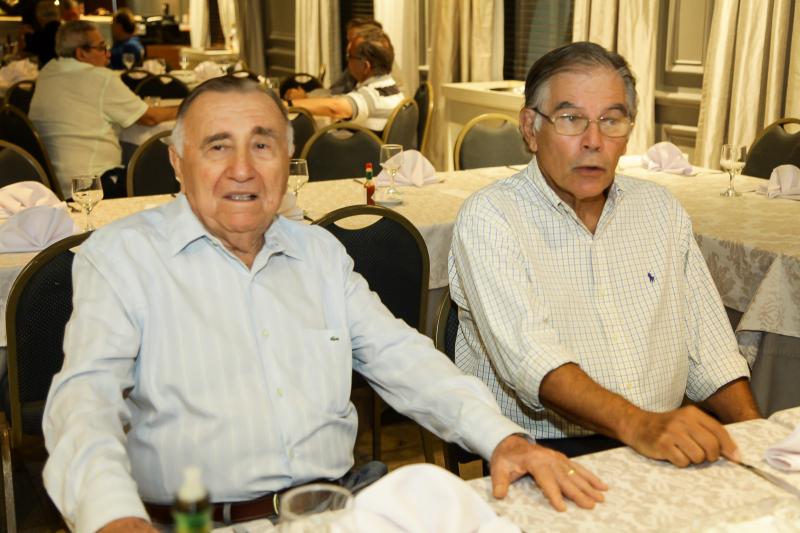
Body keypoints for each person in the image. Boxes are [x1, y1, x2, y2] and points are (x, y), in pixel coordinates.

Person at [42, 76, 607, 533]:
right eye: (217, 146)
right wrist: (113, 517)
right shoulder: (122, 257)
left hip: (335, 513)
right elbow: (83, 403)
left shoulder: (317, 252)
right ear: (177, 161)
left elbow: (403, 357)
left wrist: (503, 438)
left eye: (262, 145)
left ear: (287, 158)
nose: (242, 169)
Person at [448, 42, 761, 465]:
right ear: (530, 128)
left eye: (611, 120)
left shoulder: (659, 209)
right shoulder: (493, 216)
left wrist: (755, 441)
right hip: (543, 451)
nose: (594, 141)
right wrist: (641, 426)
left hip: (660, 439)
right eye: (571, 119)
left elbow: (712, 352)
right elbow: (532, 362)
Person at [28, 20, 175, 199]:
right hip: (94, 185)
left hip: (54, 187)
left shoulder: (47, 72)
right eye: (101, 47)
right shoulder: (99, 77)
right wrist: (187, 108)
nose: (108, 53)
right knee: (166, 168)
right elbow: (150, 118)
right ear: (81, 53)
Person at [288, 28, 404, 134]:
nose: (348, 62)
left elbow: (335, 108)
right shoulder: (392, 89)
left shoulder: (373, 96)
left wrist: (288, 104)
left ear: (365, 66)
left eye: (350, 56)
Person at [23, 0, 59, 66]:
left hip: (47, 70)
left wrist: (20, 37)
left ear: (38, 16)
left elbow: (24, 56)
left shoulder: (39, 36)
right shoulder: (65, 31)